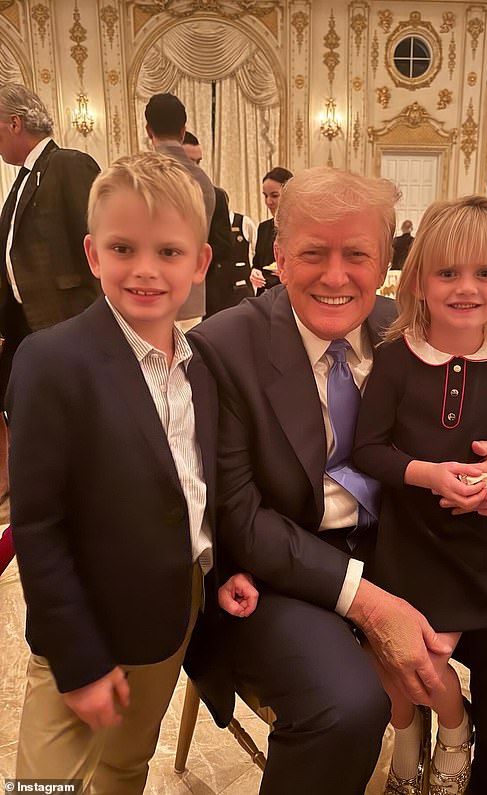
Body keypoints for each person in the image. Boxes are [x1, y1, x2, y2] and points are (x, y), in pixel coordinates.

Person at [189, 168, 487, 795]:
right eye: (314, 252)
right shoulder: (224, 348)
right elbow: (242, 517)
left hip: (406, 541)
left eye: (358, 254)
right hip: (282, 567)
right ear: (279, 257)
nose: (336, 276)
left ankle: (484, 768)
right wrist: (371, 604)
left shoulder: (411, 327)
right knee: (347, 706)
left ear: (388, 260)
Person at [7, 152, 254, 794]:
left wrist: (218, 569)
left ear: (200, 263)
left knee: (125, 762)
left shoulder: (203, 365)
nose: (145, 270)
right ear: (93, 254)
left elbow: (199, 488)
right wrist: (78, 658)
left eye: (169, 252)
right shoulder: (52, 362)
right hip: (83, 622)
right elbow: (39, 526)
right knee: (47, 784)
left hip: (171, 613)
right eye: (123, 248)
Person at [353, 195, 487, 795]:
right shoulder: (395, 361)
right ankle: (423, 734)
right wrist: (427, 473)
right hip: (407, 541)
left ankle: (468, 746)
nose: (465, 288)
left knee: (469, 647)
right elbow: (368, 450)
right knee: (405, 654)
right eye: (448, 272)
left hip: (475, 548)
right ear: (418, 281)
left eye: (485, 273)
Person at [0, 83, 101, 502]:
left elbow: (98, 245)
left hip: (70, 319)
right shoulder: (22, 181)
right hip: (28, 326)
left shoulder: (68, 165)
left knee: (78, 421)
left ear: (15, 123)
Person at [145, 92, 216, 331]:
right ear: (183, 131)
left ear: (148, 130)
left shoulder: (139, 175)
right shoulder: (203, 180)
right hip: (191, 294)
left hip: (148, 291)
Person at [180, 131, 241, 315]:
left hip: (205, 293)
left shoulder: (215, 196)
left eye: (198, 162)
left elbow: (224, 248)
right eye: (190, 162)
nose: (196, 169)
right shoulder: (151, 197)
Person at [249, 166, 293, 294]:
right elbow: (257, 264)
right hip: (265, 296)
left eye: (274, 196)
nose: (268, 202)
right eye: (265, 196)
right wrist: (254, 273)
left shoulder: (301, 229)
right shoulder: (263, 228)